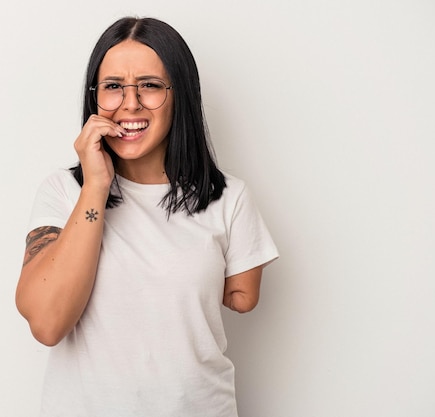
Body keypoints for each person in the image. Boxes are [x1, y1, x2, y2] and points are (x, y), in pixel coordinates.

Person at [15, 16, 279, 417]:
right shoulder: (63, 192)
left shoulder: (229, 197)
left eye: (151, 86)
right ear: (95, 96)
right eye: (114, 87)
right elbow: (48, 324)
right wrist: (96, 187)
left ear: (181, 95)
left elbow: (242, 297)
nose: (131, 103)